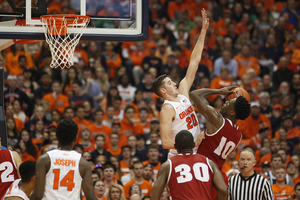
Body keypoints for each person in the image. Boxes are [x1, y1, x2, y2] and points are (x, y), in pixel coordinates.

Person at [152, 9, 209, 157]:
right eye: (170, 83)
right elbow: (165, 142)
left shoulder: (183, 93)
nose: (175, 83)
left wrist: (202, 33)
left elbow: (194, 62)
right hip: (180, 156)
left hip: (196, 151)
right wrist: (192, 143)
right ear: (163, 91)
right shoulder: (167, 109)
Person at [190, 87, 250, 184]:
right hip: (217, 175)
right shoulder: (239, 135)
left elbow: (195, 94)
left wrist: (218, 91)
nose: (224, 103)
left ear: (231, 112)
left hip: (202, 170)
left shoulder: (217, 120)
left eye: (228, 103)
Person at [150, 130, 228, 200]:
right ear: (194, 144)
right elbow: (223, 190)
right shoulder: (209, 163)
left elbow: (155, 197)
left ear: (175, 147)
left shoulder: (167, 166)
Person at [30, 119, 96, 200]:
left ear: (57, 136)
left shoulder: (44, 159)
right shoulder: (83, 163)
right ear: (75, 138)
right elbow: (91, 197)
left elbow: (37, 195)